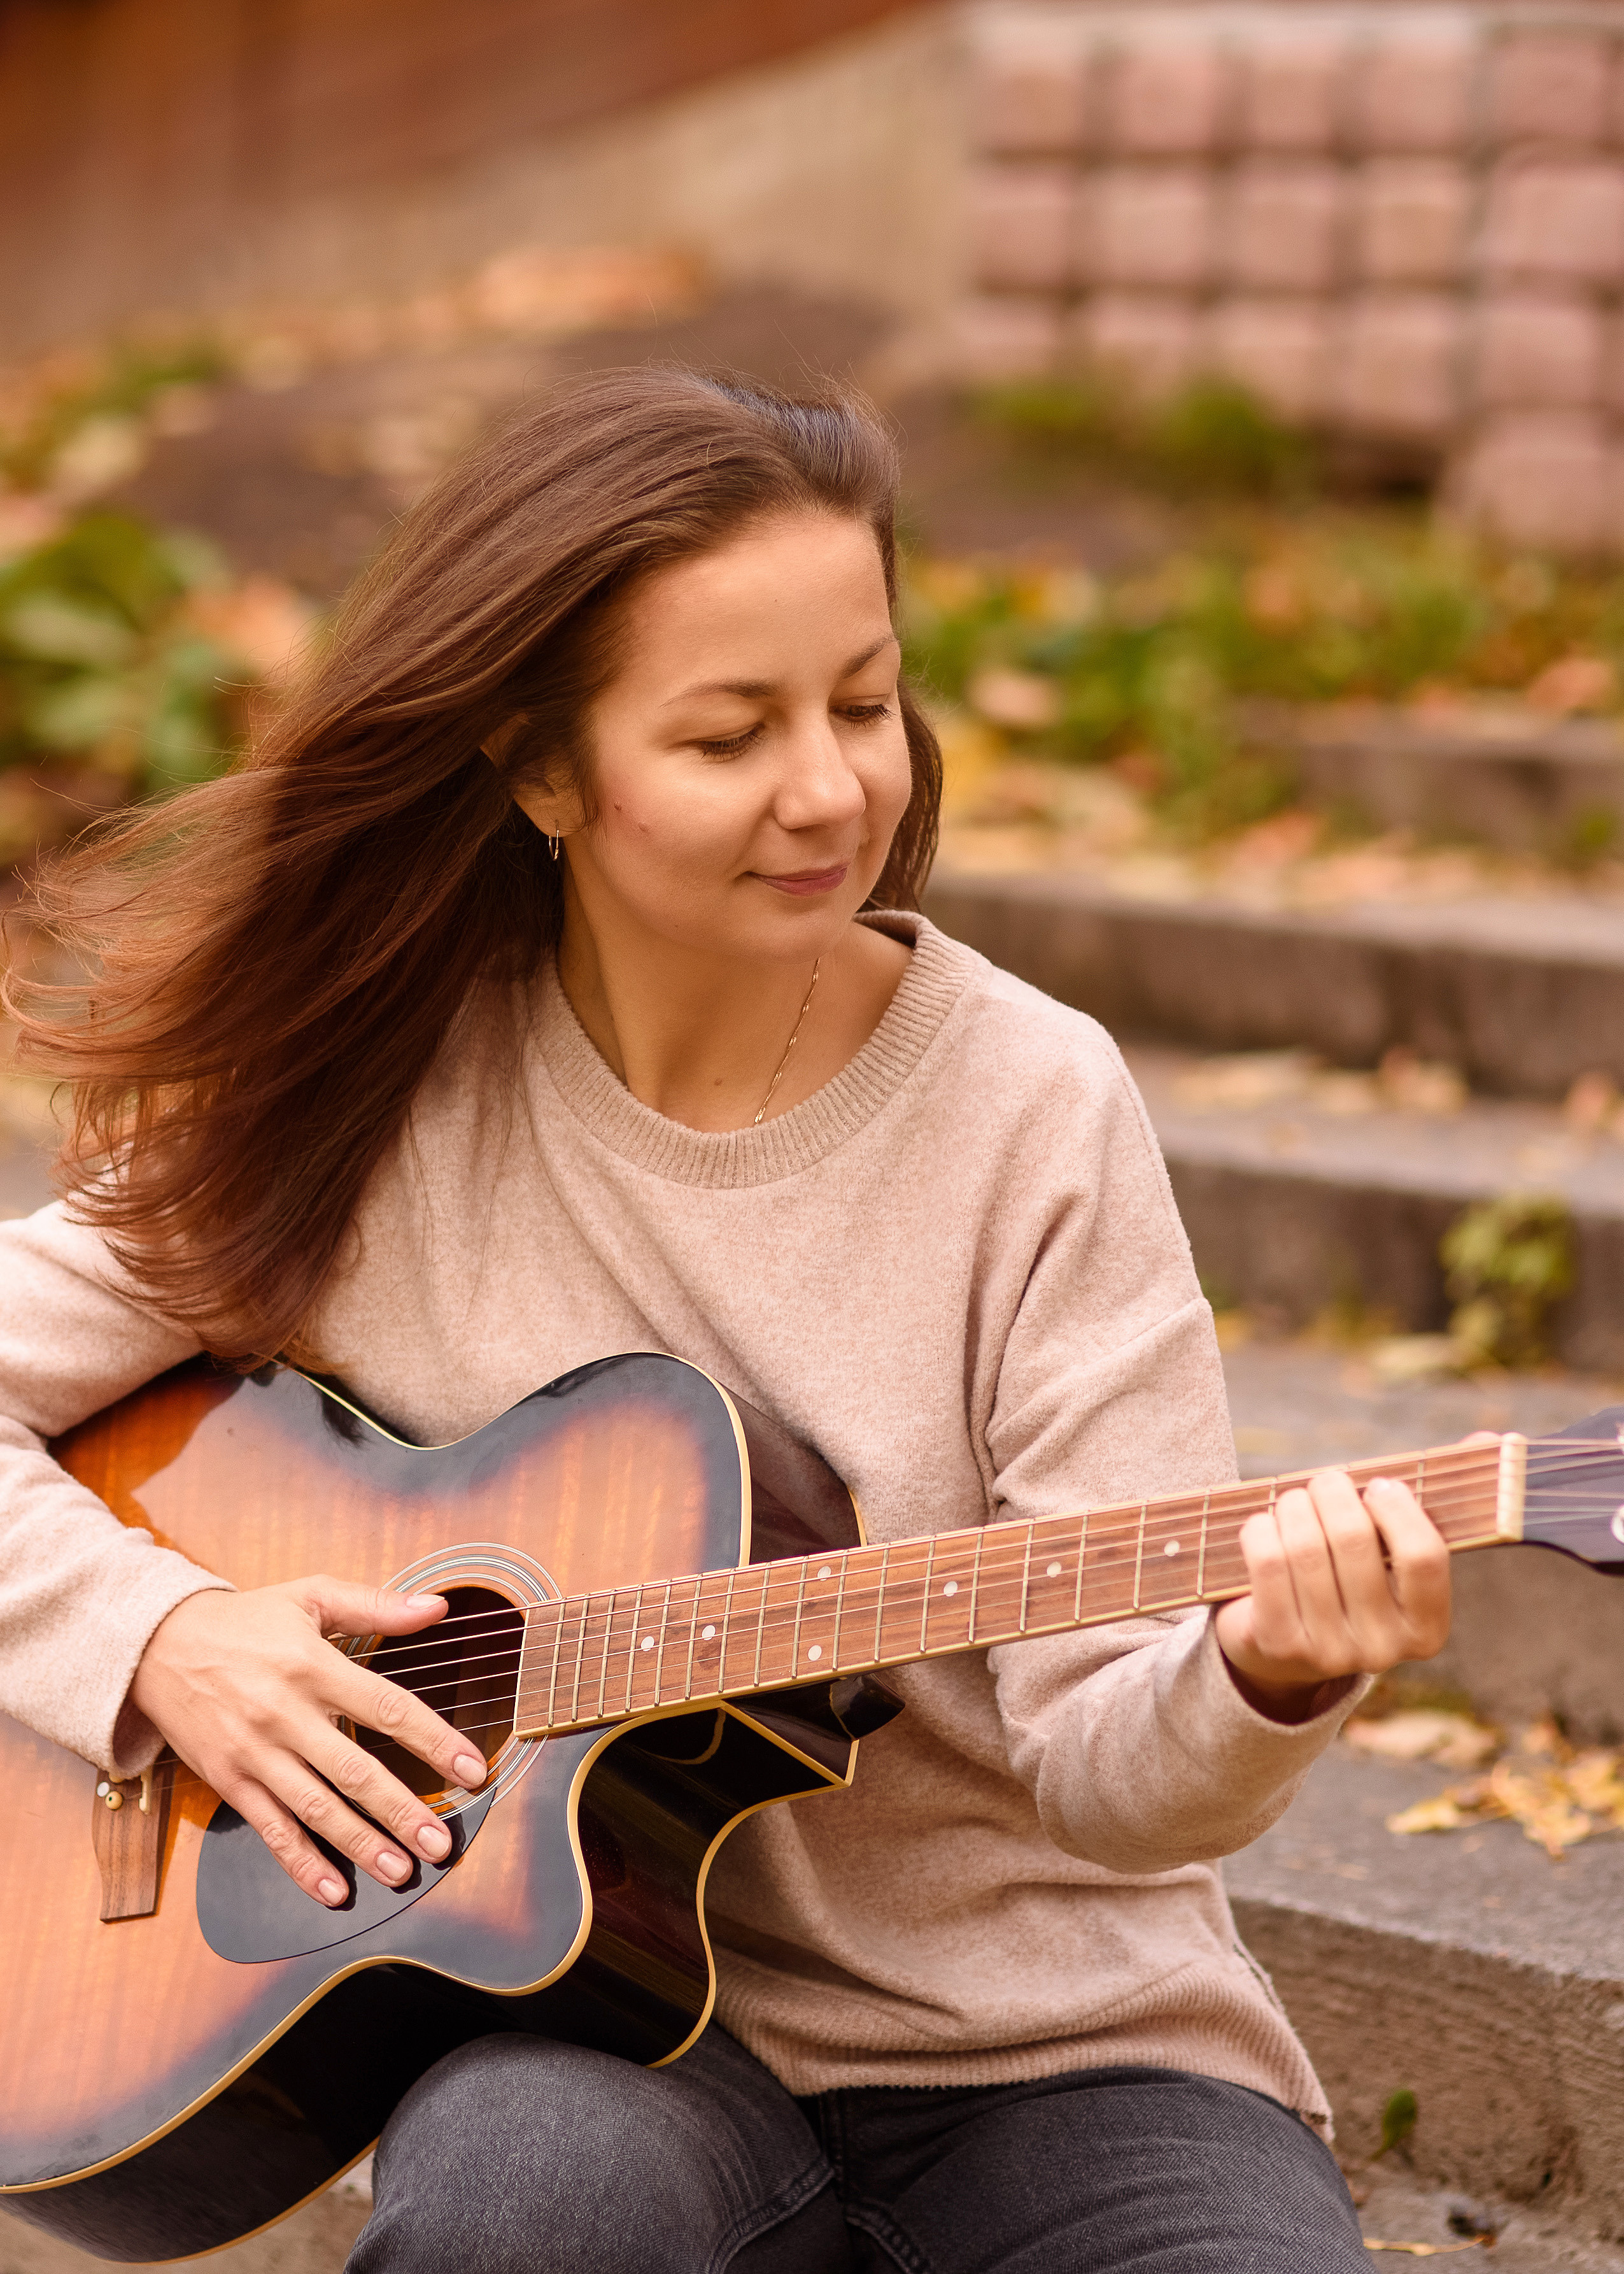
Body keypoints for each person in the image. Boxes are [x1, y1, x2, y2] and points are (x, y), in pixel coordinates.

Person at [0, 369, 1451, 2272]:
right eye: (728, 733)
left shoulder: (1032, 1104)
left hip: (1063, 2052)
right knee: (517, 2208)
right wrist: (159, 1633)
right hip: (597, 2042)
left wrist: (1264, 1673)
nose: (832, 786)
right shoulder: (380, 1099)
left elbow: (1113, 1769)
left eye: (864, 700)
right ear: (539, 768)